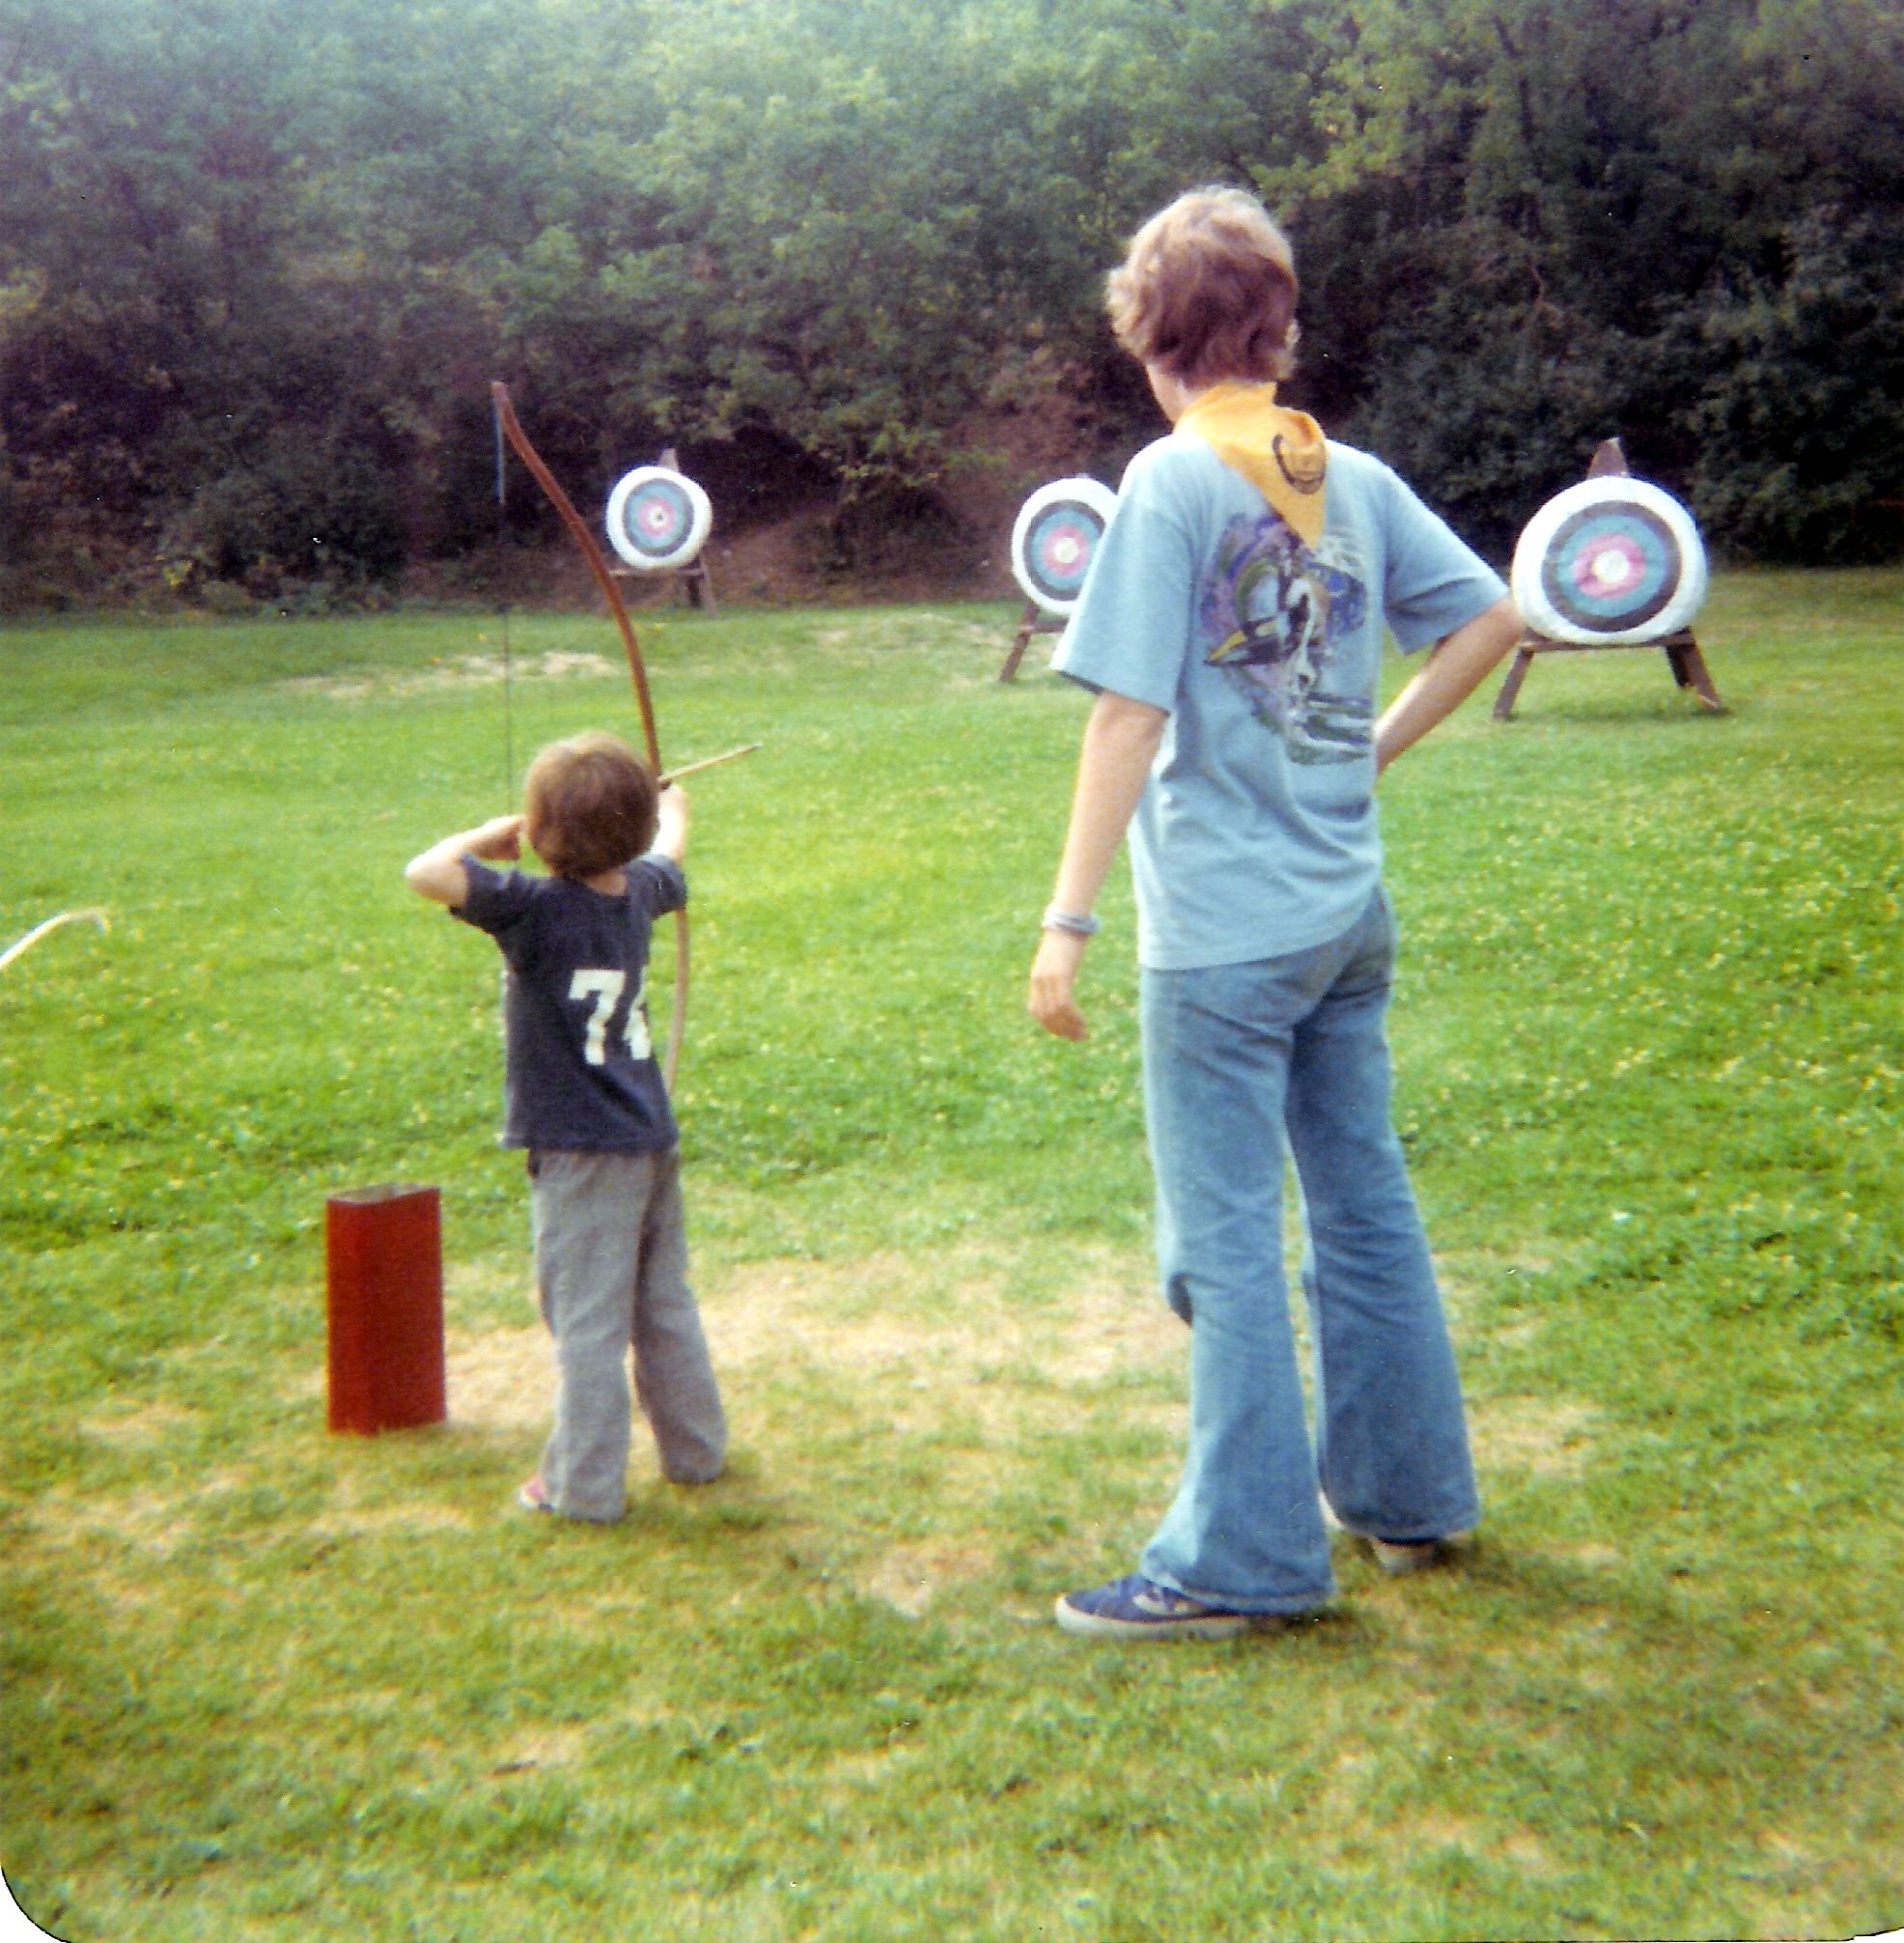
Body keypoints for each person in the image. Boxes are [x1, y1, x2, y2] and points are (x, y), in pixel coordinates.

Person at [1027, 186, 1525, 1640]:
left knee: (1227, 1238)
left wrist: (1067, 921)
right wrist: (1372, 745)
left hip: (1227, 944)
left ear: (1152, 342)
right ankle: (1410, 1502)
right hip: (1341, 918)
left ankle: (1240, 1560)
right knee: (1362, 1200)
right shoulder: (1344, 471)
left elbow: (1126, 715)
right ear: (1278, 333)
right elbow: (1493, 616)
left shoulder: (1173, 481)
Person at [406, 732, 726, 1521]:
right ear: (639, 830)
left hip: (582, 1152)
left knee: (586, 1323)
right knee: (662, 1301)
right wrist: (672, 810)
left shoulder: (531, 908)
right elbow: (671, 857)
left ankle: (581, 1488)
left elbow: (424, 872)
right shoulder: (644, 890)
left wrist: (484, 837)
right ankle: (696, 1452)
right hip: (649, 1137)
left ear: (541, 831)